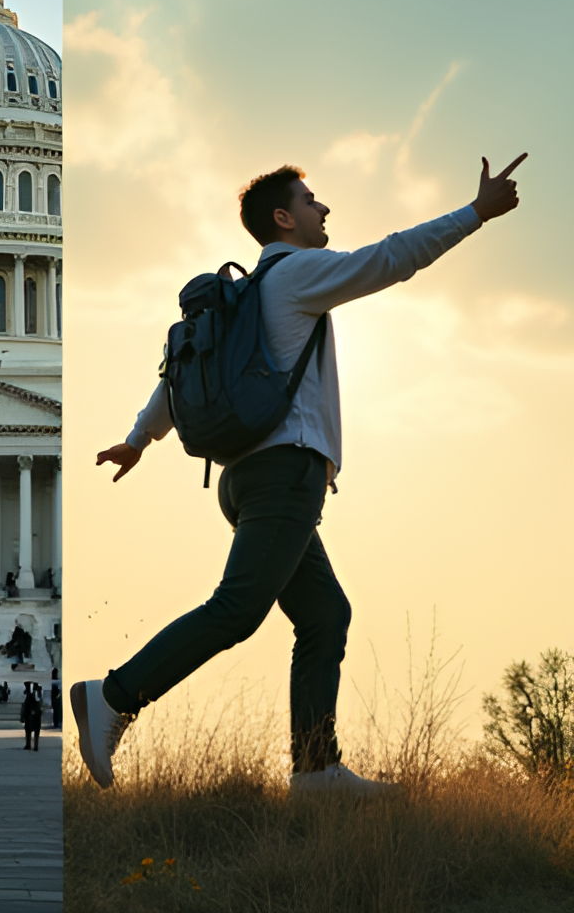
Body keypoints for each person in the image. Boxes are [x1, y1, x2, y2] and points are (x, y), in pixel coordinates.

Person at [72, 155, 527, 794]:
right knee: (237, 610)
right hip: (284, 472)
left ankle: (316, 773)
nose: (325, 210)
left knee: (324, 616)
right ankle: (112, 697)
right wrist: (475, 214)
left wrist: (138, 439)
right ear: (283, 219)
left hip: (243, 479)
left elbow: (182, 379)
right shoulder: (295, 274)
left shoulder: (243, 298)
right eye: (312, 201)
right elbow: (390, 257)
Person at [21, 682, 43, 751]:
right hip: (36, 715)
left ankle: (29, 745)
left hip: (30, 715)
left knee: (28, 731)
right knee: (36, 731)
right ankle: (35, 746)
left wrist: (22, 717)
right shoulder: (38, 698)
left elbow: (24, 708)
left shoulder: (28, 699)